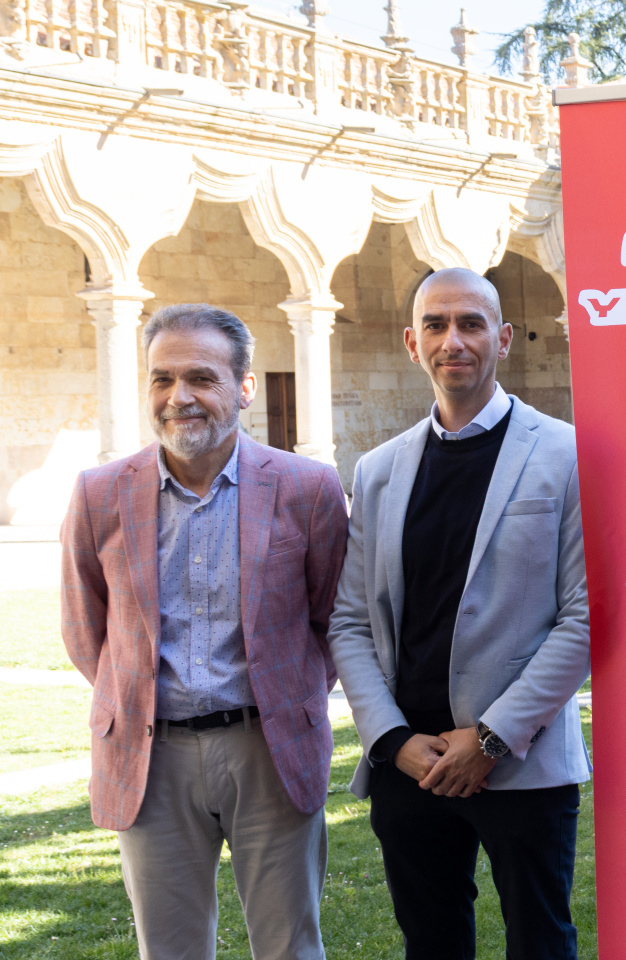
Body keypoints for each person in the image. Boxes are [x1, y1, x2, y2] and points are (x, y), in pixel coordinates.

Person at [60, 304, 348, 960]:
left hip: (268, 750)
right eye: (162, 379)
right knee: (169, 950)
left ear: (244, 388)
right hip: (149, 755)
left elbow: (335, 620)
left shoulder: (308, 489)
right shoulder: (99, 493)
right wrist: (135, 694)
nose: (178, 397)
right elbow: (85, 629)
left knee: (289, 948)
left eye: (200, 377)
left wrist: (284, 695)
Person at [329, 268, 591, 959]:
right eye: (438, 326)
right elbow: (350, 621)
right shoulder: (378, 469)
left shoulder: (565, 453)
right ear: (414, 344)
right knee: (432, 944)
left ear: (502, 339)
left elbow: (584, 618)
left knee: (542, 942)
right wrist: (391, 739)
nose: (456, 341)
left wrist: (494, 738)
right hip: (410, 764)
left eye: (472, 323)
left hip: (521, 763)